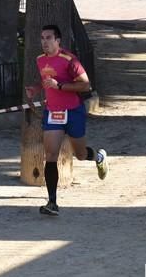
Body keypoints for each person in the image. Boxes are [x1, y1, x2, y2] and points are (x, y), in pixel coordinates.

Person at [25, 25, 109, 216]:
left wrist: (60, 86)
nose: (44, 42)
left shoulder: (69, 59)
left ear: (58, 40)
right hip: (53, 112)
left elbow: (85, 84)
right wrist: (36, 89)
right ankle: (52, 202)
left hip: (73, 112)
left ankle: (98, 157)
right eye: (42, 38)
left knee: (79, 154)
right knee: (50, 155)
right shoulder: (40, 60)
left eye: (48, 38)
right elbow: (47, 81)